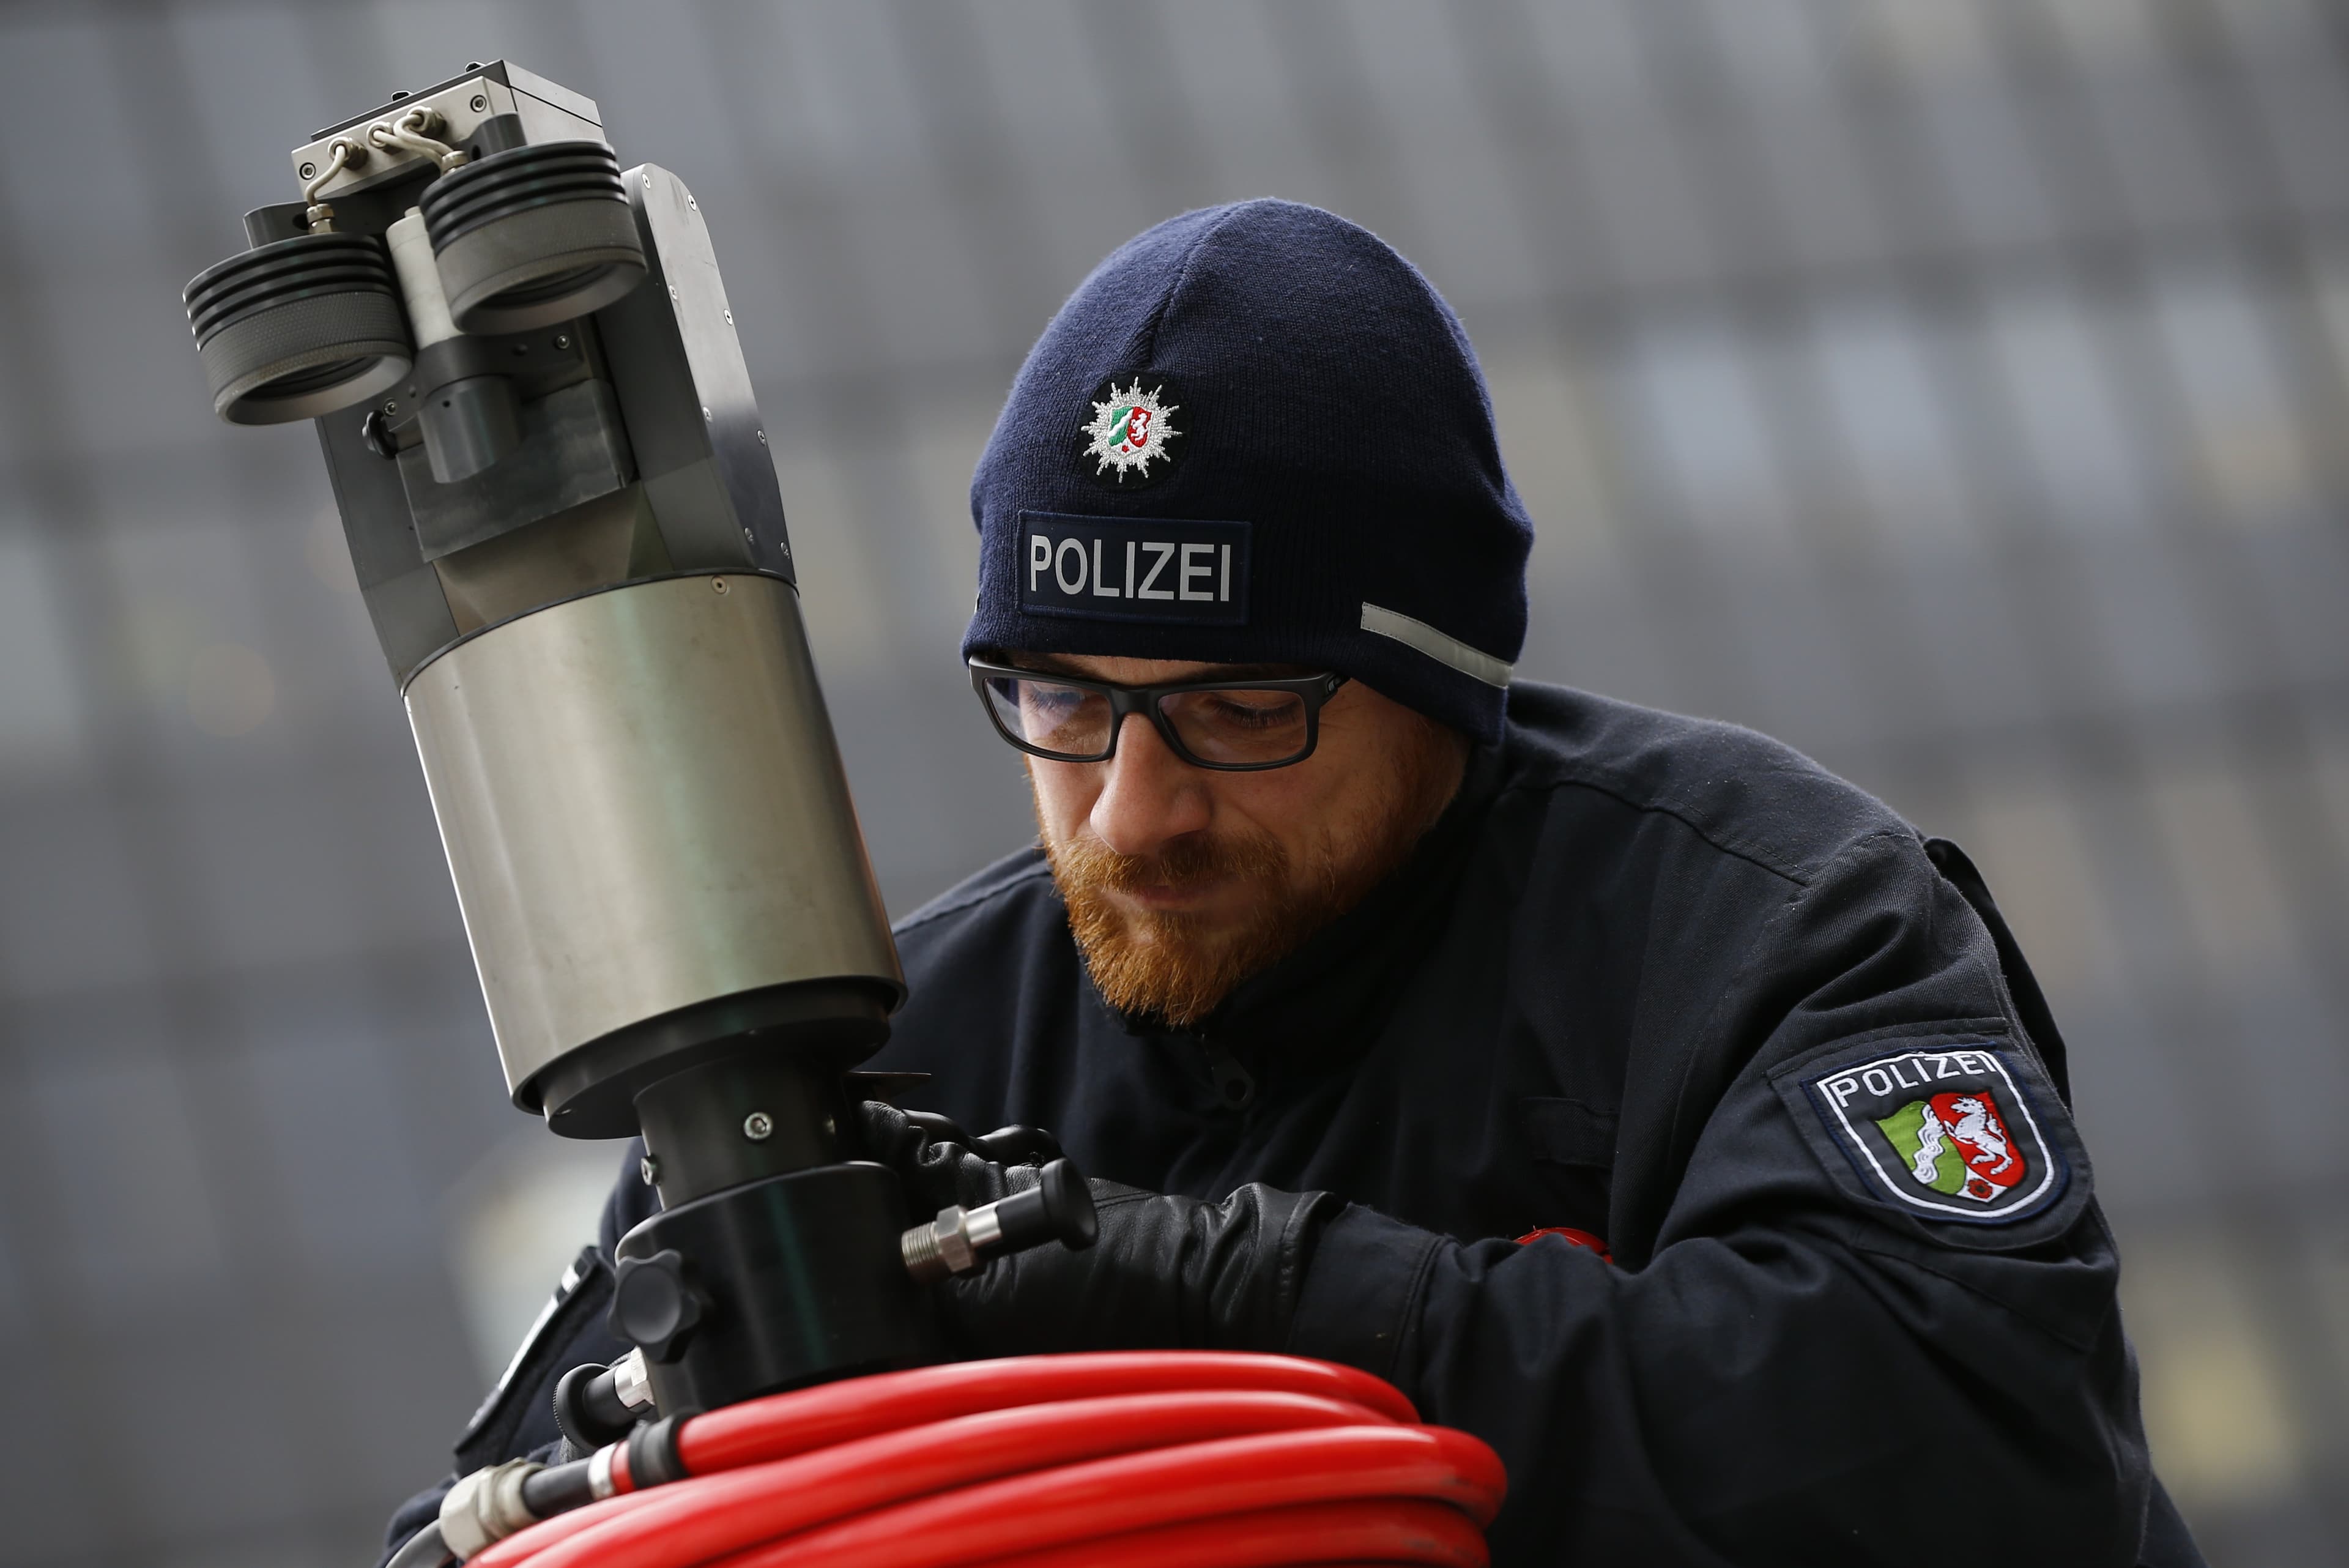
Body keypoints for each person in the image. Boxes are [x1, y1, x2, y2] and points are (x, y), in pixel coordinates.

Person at [387, 200, 2200, 1566]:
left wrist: (1243, 1292)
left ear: (1447, 689)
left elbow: (1971, 1438)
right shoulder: (867, 1058)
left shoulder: (1772, 921)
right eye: (1061, 700)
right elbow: (535, 1511)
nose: (1128, 813)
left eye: (1242, 707)